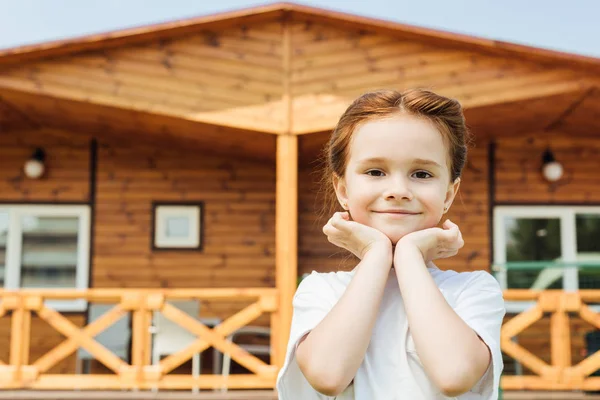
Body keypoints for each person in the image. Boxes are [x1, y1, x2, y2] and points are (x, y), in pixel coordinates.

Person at [276, 89, 506, 399]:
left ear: (448, 194)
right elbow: (328, 375)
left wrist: (409, 256)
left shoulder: (474, 290)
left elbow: (454, 375)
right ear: (342, 189)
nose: (398, 190)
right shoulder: (320, 291)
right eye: (375, 171)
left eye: (421, 174)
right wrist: (377, 254)